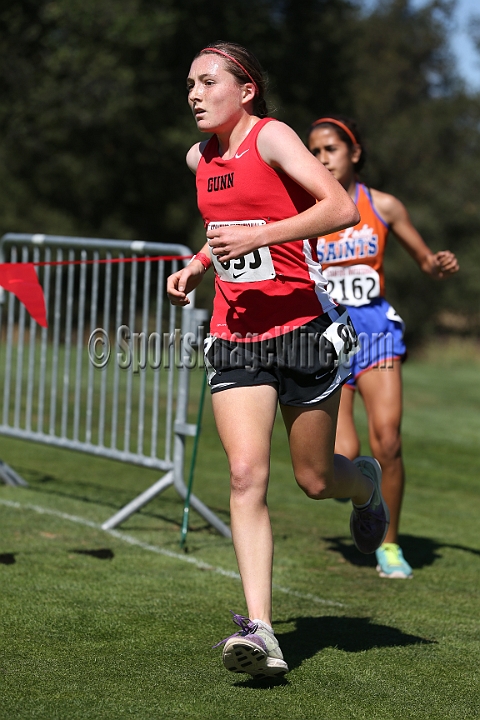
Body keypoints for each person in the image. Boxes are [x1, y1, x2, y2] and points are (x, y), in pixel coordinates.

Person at [167, 43, 389, 679]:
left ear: (246, 90)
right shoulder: (199, 157)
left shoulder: (272, 138)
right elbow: (224, 227)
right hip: (235, 332)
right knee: (244, 475)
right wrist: (198, 262)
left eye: (208, 82)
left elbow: (338, 209)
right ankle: (260, 629)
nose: (194, 93)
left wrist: (257, 236)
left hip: (300, 329)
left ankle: (365, 482)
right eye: (189, 83)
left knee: (316, 480)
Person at [307, 115, 459, 580]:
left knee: (387, 440)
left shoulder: (384, 205)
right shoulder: (306, 207)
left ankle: (389, 544)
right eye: (313, 151)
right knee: (344, 456)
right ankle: (365, 496)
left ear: (354, 153)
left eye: (330, 149)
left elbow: (424, 260)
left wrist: (437, 263)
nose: (321, 159)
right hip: (329, 336)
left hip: (375, 331)